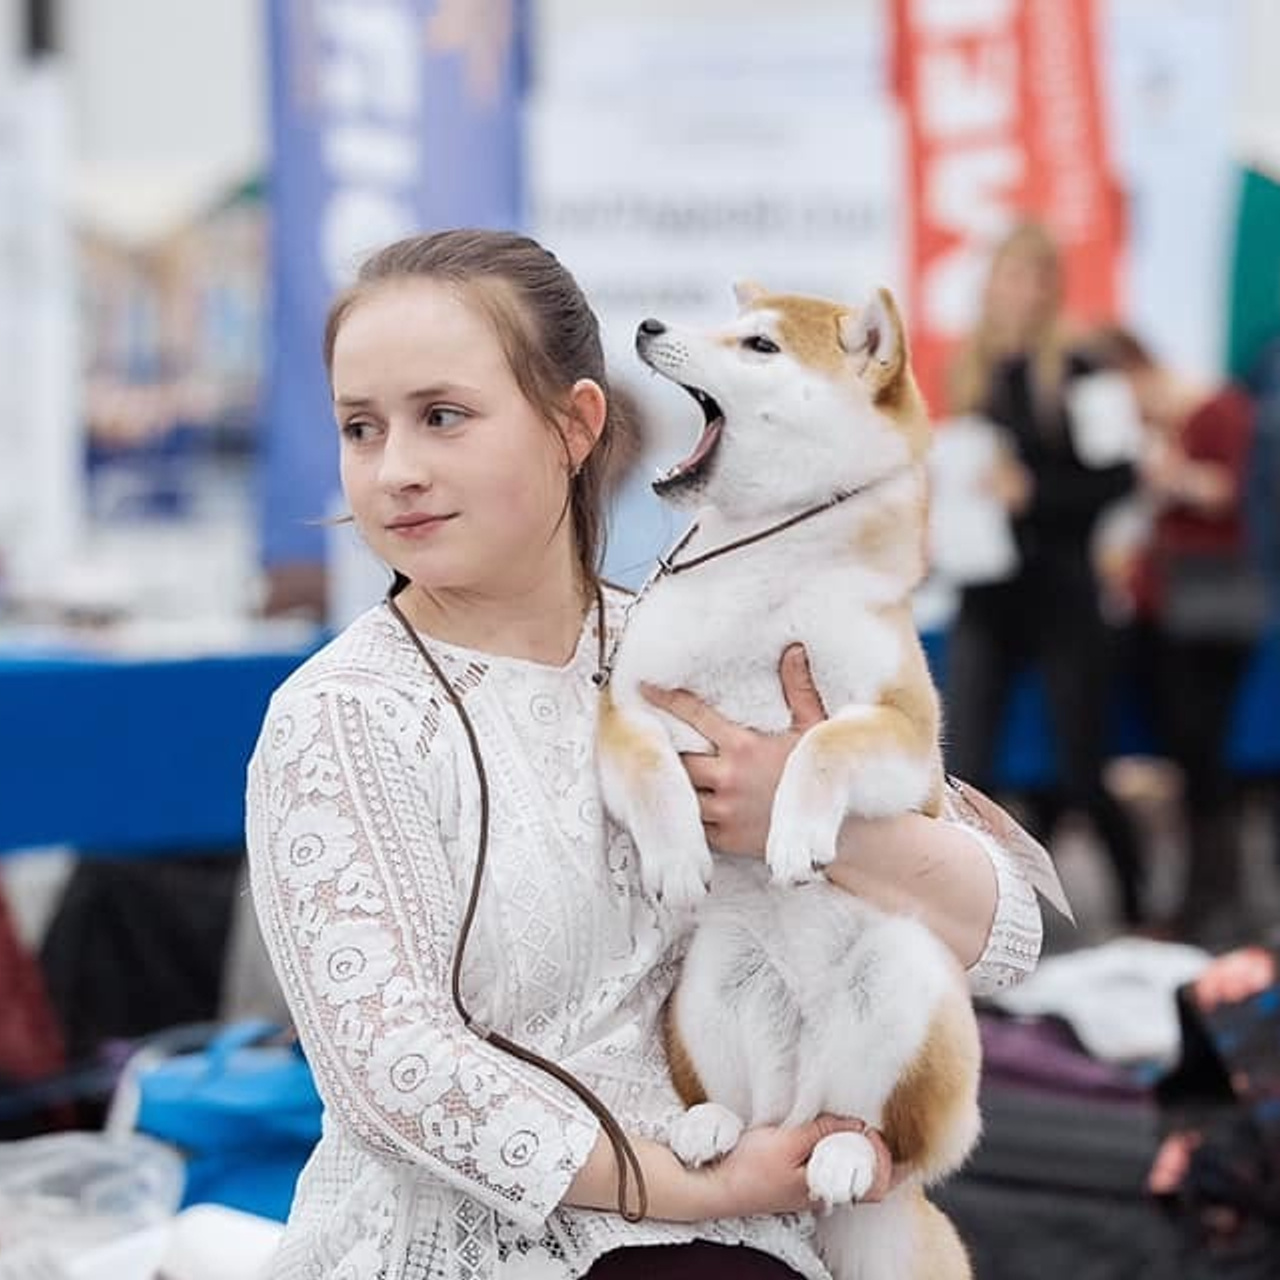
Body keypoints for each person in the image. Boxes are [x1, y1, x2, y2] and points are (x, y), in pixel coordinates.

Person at [245, 228, 1049, 1279]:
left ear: (574, 424)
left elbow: (1012, 927)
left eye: (442, 416)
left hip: (765, 1214)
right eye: (361, 426)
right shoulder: (345, 714)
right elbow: (392, 1068)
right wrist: (689, 1185)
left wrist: (814, 815)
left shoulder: (696, 650)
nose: (394, 471)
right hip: (493, 1239)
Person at [943, 220, 1146, 928]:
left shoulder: (1083, 371)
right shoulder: (970, 371)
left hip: (1062, 590)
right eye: (1009, 277)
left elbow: (1120, 478)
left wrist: (1035, 492)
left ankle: (1141, 909)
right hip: (986, 591)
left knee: (1083, 769)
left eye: (1033, 279)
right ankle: (980, 916)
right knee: (964, 769)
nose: (1020, 293)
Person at [1089, 327, 1259, 945]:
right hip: (1165, 614)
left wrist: (1168, 474)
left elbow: (1226, 493)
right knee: (1187, 756)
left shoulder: (1216, 411)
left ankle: (1213, 902)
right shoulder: (1175, 425)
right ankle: (1200, 900)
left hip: (1211, 613)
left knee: (1202, 753)